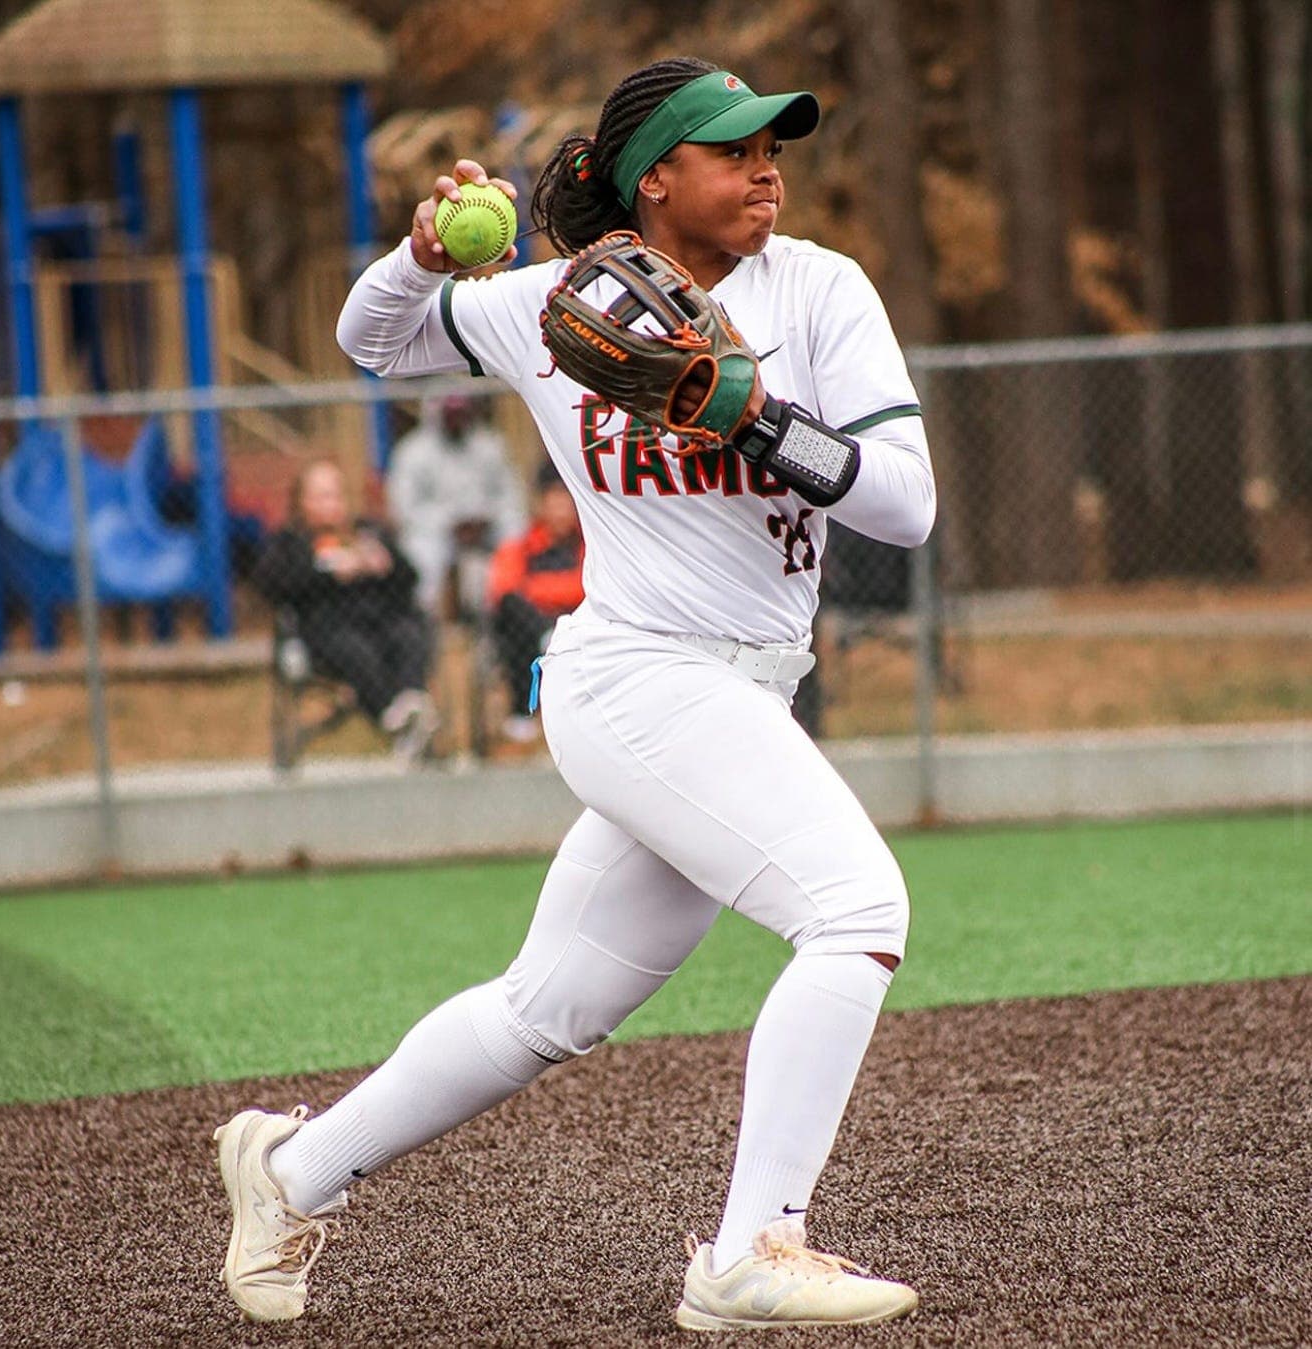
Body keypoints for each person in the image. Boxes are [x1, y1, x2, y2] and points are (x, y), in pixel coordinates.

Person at [214, 57, 935, 1331]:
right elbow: (368, 341)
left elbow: (904, 503)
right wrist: (425, 253)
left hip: (745, 692)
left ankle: (288, 1170)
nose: (769, 165)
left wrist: (756, 415)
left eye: (777, 145)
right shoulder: (555, 303)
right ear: (655, 177)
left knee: (547, 1009)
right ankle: (753, 1247)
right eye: (735, 148)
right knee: (854, 906)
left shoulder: (818, 289)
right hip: (634, 675)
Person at [252, 458, 436, 764]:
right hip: (329, 635)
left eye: (335, 494)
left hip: (382, 624)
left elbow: (410, 577)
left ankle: (410, 706)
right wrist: (328, 570)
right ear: (302, 502)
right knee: (352, 649)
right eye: (321, 496)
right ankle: (398, 718)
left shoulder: (367, 532)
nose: (331, 504)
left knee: (409, 634)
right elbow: (271, 586)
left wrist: (382, 564)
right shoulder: (291, 543)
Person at [384, 392, 526, 620]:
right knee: (420, 549)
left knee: (514, 530)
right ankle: (424, 620)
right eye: (450, 414)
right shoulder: (413, 451)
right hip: (437, 532)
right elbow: (404, 509)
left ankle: (509, 613)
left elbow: (511, 496)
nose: (457, 419)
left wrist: (485, 518)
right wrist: (449, 522)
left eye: (461, 413)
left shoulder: (489, 445)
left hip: (485, 527)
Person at [485, 460, 585, 745]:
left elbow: (590, 587)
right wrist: (554, 596)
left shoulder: (588, 543)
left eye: (566, 501)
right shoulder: (522, 545)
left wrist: (540, 590)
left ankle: (550, 637)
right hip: (531, 632)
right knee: (512, 612)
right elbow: (503, 590)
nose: (560, 510)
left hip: (574, 624)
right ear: (541, 504)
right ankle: (522, 711)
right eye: (553, 501)